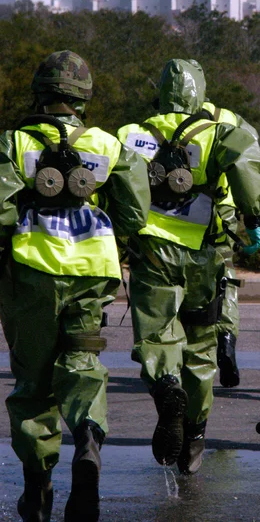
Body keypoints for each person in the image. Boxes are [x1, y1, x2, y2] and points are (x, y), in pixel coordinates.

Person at [0, 50, 150, 522]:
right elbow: (134, 215)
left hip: (32, 275)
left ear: (39, 91)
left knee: (33, 383)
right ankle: (88, 440)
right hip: (91, 276)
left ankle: (38, 487)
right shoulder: (109, 145)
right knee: (83, 366)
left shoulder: (14, 142)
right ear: (84, 95)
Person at [117, 58, 260, 474]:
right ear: (199, 91)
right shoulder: (223, 132)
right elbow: (250, 174)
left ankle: (166, 386)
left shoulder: (133, 133)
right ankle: (196, 433)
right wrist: (254, 217)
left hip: (152, 253)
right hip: (203, 255)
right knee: (201, 348)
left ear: (163, 91)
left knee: (156, 335)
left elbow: (116, 189)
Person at [202, 99, 260, 388]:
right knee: (223, 275)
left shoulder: (164, 119)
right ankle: (226, 338)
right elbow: (250, 156)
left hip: (173, 212)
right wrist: (252, 216)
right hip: (222, 208)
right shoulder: (230, 117)